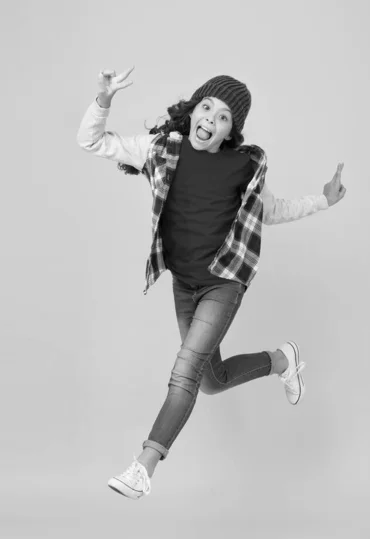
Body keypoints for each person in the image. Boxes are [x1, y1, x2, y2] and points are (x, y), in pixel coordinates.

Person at [77, 66, 346, 501]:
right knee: (212, 380)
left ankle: (143, 465)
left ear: (231, 129)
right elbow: (92, 141)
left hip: (224, 283)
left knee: (184, 372)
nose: (210, 119)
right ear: (193, 110)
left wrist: (323, 201)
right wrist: (104, 98)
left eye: (223, 117)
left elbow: (272, 211)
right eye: (206, 107)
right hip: (184, 284)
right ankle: (282, 360)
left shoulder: (242, 166)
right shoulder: (162, 150)